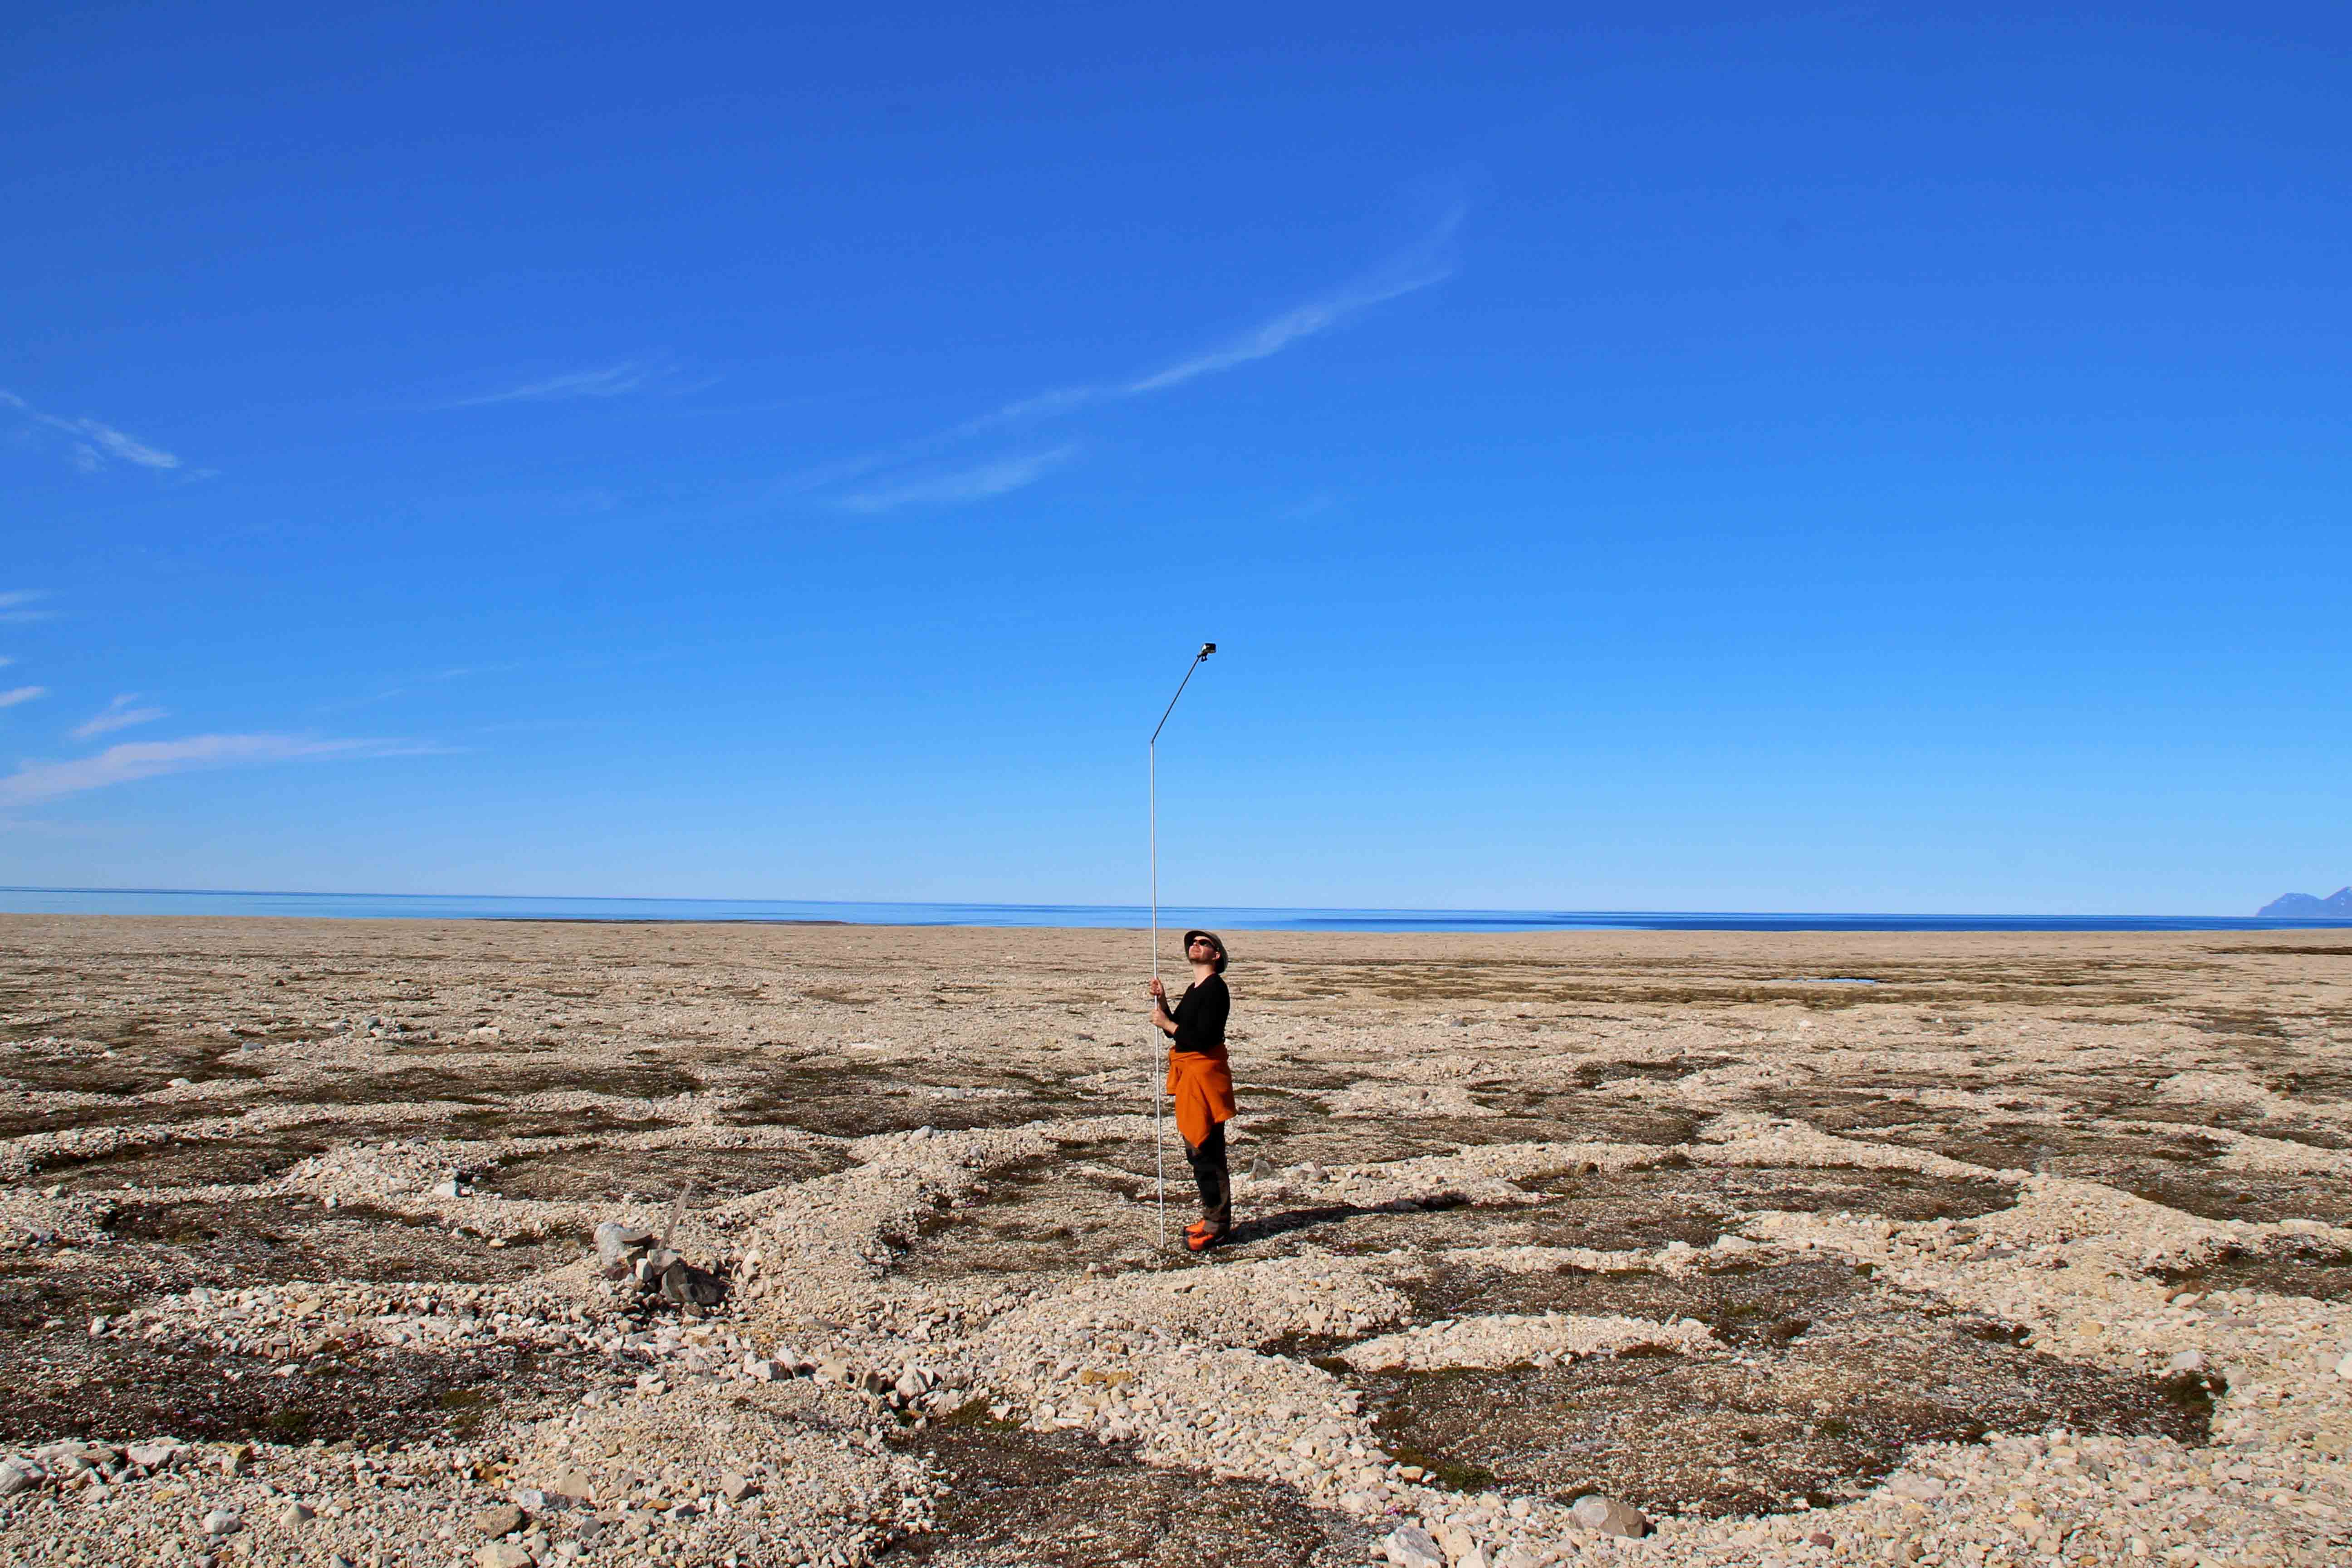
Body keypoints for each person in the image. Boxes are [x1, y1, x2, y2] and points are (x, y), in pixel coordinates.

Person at [1150, 929, 1235, 1251]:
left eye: (1204, 943)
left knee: (1208, 1150)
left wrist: (1167, 1025)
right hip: (1192, 1078)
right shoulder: (1195, 988)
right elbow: (1181, 1030)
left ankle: (1218, 1225)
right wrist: (1163, 1001)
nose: (1195, 946)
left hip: (1205, 1079)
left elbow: (1202, 1037)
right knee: (1197, 1152)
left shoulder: (1216, 989)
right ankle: (1210, 1215)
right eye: (1193, 943)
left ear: (1216, 955)